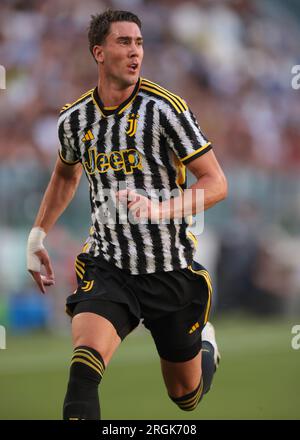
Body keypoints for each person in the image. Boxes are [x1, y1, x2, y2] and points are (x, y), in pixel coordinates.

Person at [27, 9, 227, 420]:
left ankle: (206, 345)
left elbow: (216, 182)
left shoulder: (166, 109)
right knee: (84, 367)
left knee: (185, 397)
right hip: (109, 265)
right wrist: (37, 235)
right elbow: (66, 175)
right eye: (124, 42)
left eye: (139, 43)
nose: (135, 52)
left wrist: (161, 209)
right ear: (99, 52)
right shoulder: (74, 119)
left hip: (168, 269)